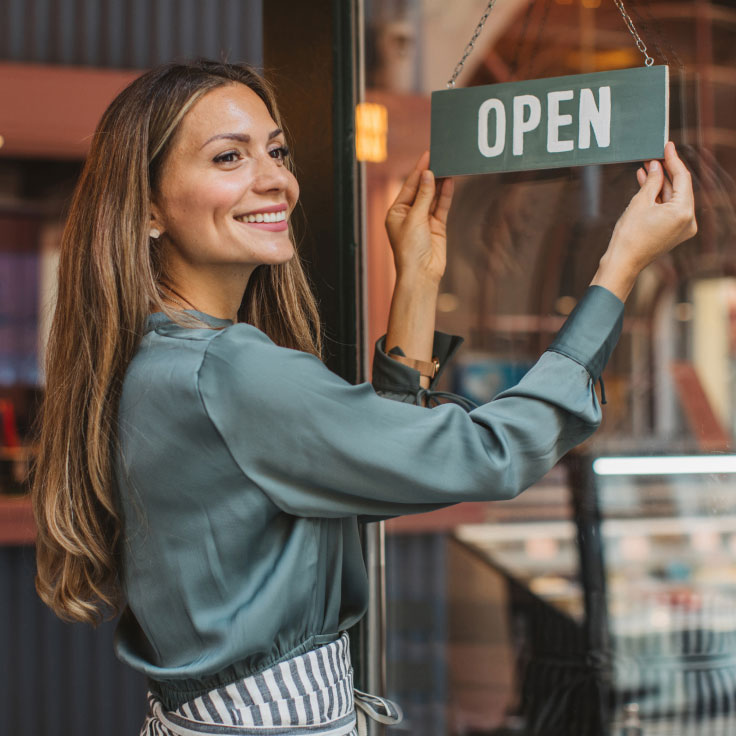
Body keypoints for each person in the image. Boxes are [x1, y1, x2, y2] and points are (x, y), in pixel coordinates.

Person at [30, 60, 697, 736]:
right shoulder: (229, 372)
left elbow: (381, 460)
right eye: (229, 156)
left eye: (277, 150)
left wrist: (417, 279)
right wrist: (620, 268)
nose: (275, 179)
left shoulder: (159, 357)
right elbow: (490, 455)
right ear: (147, 206)